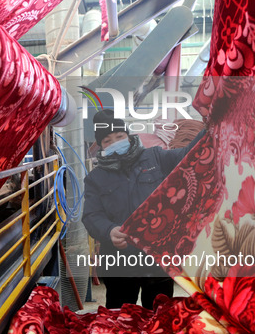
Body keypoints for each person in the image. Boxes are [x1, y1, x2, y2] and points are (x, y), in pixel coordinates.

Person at [82, 109, 205, 309]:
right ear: (101, 146)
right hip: (119, 262)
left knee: (160, 316)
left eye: (119, 136)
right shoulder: (95, 178)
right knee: (120, 318)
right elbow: (91, 215)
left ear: (129, 136)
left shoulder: (156, 158)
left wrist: (209, 127)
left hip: (157, 260)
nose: (115, 143)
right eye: (107, 141)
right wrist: (108, 231)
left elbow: (189, 156)